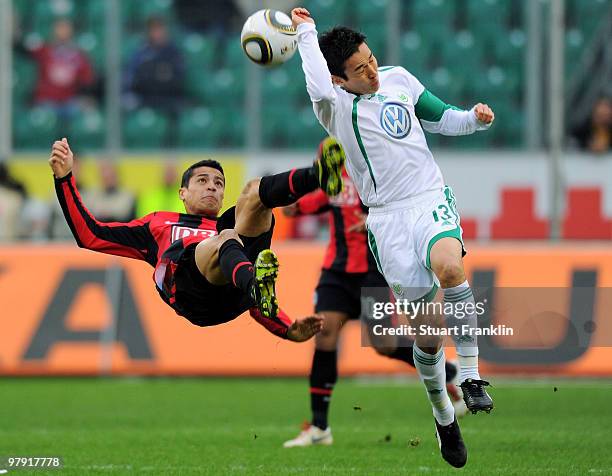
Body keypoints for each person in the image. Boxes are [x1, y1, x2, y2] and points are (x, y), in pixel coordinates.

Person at [291, 7, 495, 468]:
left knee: (451, 267)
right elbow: (317, 85)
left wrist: (476, 119)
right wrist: (306, 33)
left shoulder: (399, 78)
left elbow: (444, 118)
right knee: (424, 340)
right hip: (387, 222)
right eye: (360, 69)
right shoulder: (335, 107)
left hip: (428, 198)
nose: (372, 71)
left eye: (372, 59)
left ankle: (471, 375)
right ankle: (444, 416)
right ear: (340, 80)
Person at [49, 136, 345, 341]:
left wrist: (289, 330)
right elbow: (90, 235)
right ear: (183, 193)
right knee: (226, 236)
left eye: (218, 183)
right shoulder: (159, 223)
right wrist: (64, 179)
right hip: (191, 292)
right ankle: (254, 283)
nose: (212, 188)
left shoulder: (226, 223)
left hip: (233, 292)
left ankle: (319, 174)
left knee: (254, 192)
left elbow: (260, 305)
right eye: (202, 181)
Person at [282, 140, 466, 448]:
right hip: (337, 273)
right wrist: (293, 193)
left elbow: (405, 211)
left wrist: (372, 221)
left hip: (373, 272)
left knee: (382, 343)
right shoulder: (334, 178)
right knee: (324, 334)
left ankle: (448, 371)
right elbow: (296, 207)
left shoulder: (380, 173)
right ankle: (319, 427)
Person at [124, 17, 185, 147]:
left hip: (168, 97)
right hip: (145, 96)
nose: (158, 33)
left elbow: (178, 78)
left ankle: (170, 147)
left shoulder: (173, 52)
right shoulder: (142, 52)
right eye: (154, 30)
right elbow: (136, 77)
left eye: (160, 29)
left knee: (177, 110)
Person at [18, 18, 94, 124]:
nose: (62, 32)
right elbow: (22, 48)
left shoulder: (78, 55)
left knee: (86, 114)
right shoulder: (45, 50)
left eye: (65, 28)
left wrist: (86, 99)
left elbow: (87, 81)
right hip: (46, 102)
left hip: (68, 102)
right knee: (40, 117)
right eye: (59, 28)